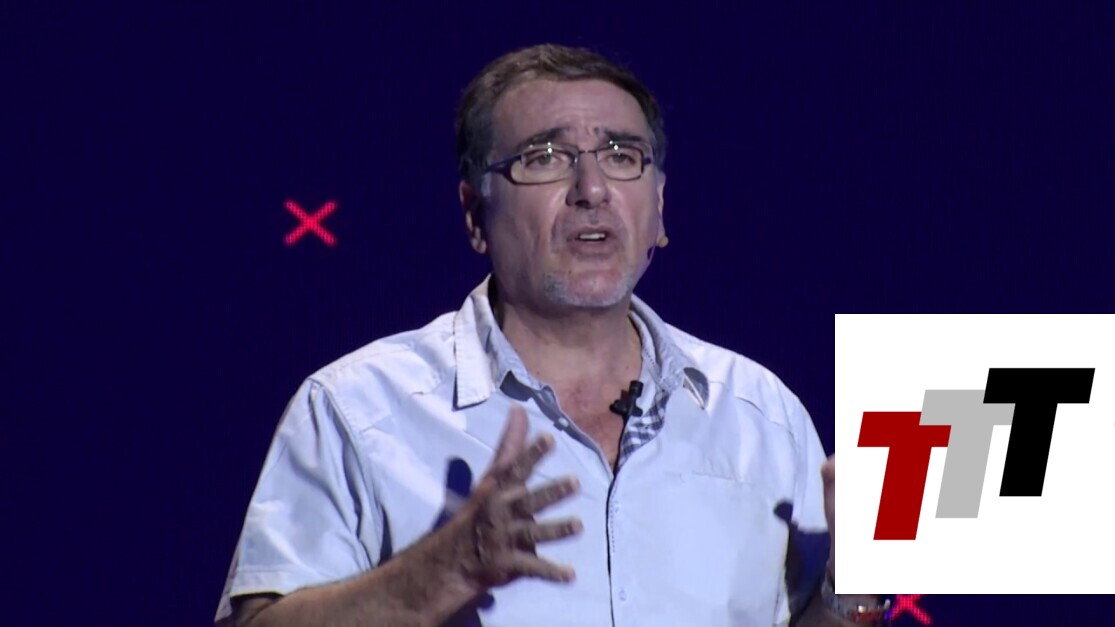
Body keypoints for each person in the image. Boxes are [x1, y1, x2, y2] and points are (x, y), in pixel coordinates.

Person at [216, 43, 885, 626]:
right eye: (544, 157)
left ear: (659, 208)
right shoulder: (358, 409)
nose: (591, 189)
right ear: (474, 214)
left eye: (622, 155)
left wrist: (852, 591)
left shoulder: (759, 412)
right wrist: (438, 573)